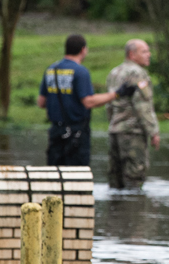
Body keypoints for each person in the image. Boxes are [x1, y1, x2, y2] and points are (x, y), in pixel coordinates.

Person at [36, 33, 123, 167]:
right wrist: (115, 94)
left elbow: (41, 103)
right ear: (83, 50)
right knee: (76, 177)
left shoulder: (51, 70)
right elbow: (89, 101)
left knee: (55, 175)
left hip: (55, 132)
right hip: (77, 132)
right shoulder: (80, 71)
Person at [105, 39, 161, 190]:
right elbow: (143, 106)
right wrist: (153, 132)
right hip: (133, 132)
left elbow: (109, 104)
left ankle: (116, 211)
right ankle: (133, 211)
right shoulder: (138, 73)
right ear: (132, 54)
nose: (149, 55)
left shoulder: (114, 72)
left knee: (115, 180)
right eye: (144, 51)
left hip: (115, 131)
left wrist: (112, 123)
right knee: (134, 179)